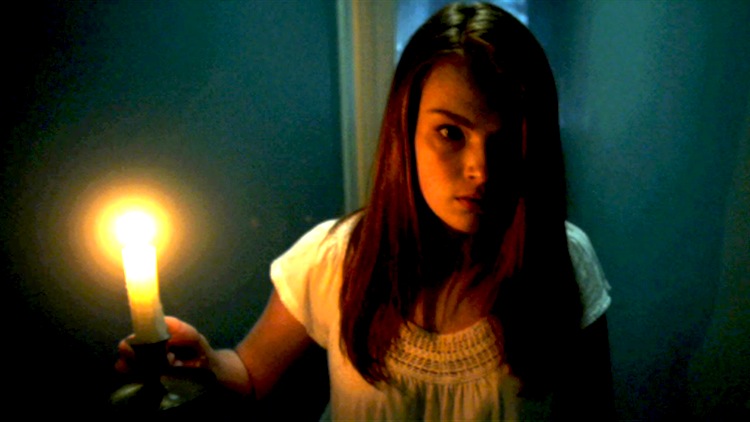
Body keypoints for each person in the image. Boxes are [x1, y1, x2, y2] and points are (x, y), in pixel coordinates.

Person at [116, 2, 614, 420]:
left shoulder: (563, 259)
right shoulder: (336, 258)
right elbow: (250, 376)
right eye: (450, 133)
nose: (480, 170)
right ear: (406, 131)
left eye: (504, 140)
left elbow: (595, 411)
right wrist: (206, 364)